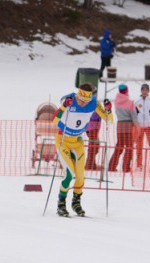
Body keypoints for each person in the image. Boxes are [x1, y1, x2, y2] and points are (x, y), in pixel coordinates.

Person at [52, 83, 114, 216]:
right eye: (81, 100)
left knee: (80, 176)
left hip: (78, 142)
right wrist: (64, 106)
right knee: (69, 175)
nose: (84, 103)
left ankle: (76, 202)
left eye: (86, 101)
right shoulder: (69, 100)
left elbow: (108, 120)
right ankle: (61, 203)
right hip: (63, 141)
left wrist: (108, 109)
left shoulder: (94, 103)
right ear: (78, 95)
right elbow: (54, 120)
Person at [108, 84, 138, 172]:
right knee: (129, 146)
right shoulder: (130, 102)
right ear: (126, 91)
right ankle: (126, 167)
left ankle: (112, 166)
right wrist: (137, 127)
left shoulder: (116, 101)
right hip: (128, 124)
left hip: (120, 124)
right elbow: (134, 116)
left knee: (120, 145)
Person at [135, 83, 150, 169]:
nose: (144, 92)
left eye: (146, 90)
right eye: (143, 90)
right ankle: (139, 164)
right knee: (139, 146)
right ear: (141, 91)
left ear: (148, 91)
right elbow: (134, 115)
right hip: (140, 127)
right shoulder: (136, 102)